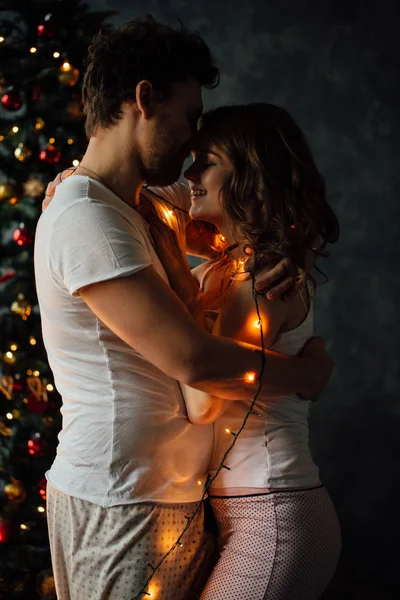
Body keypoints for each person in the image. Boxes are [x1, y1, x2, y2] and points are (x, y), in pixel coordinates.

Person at [35, 16, 334, 600]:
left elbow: (263, 199)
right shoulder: (90, 215)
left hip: (170, 494)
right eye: (190, 117)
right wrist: (305, 374)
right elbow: (196, 364)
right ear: (145, 99)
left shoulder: (144, 201)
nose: (192, 146)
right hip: (123, 494)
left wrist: (297, 243)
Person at [160, 103, 340, 600]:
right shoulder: (228, 266)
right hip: (251, 510)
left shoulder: (259, 280)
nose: (189, 174)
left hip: (274, 516)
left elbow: (203, 403)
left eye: (206, 161)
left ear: (250, 178)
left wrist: (179, 287)